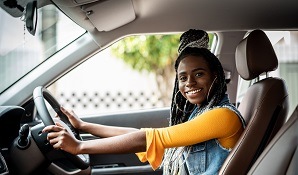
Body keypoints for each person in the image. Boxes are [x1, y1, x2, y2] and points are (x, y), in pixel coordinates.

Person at [43, 29, 246, 175]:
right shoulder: (200, 113)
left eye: (199, 74)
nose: (189, 83)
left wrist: (79, 147)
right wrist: (84, 126)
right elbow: (142, 136)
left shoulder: (223, 116)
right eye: (183, 77)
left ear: (216, 77)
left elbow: (150, 138)